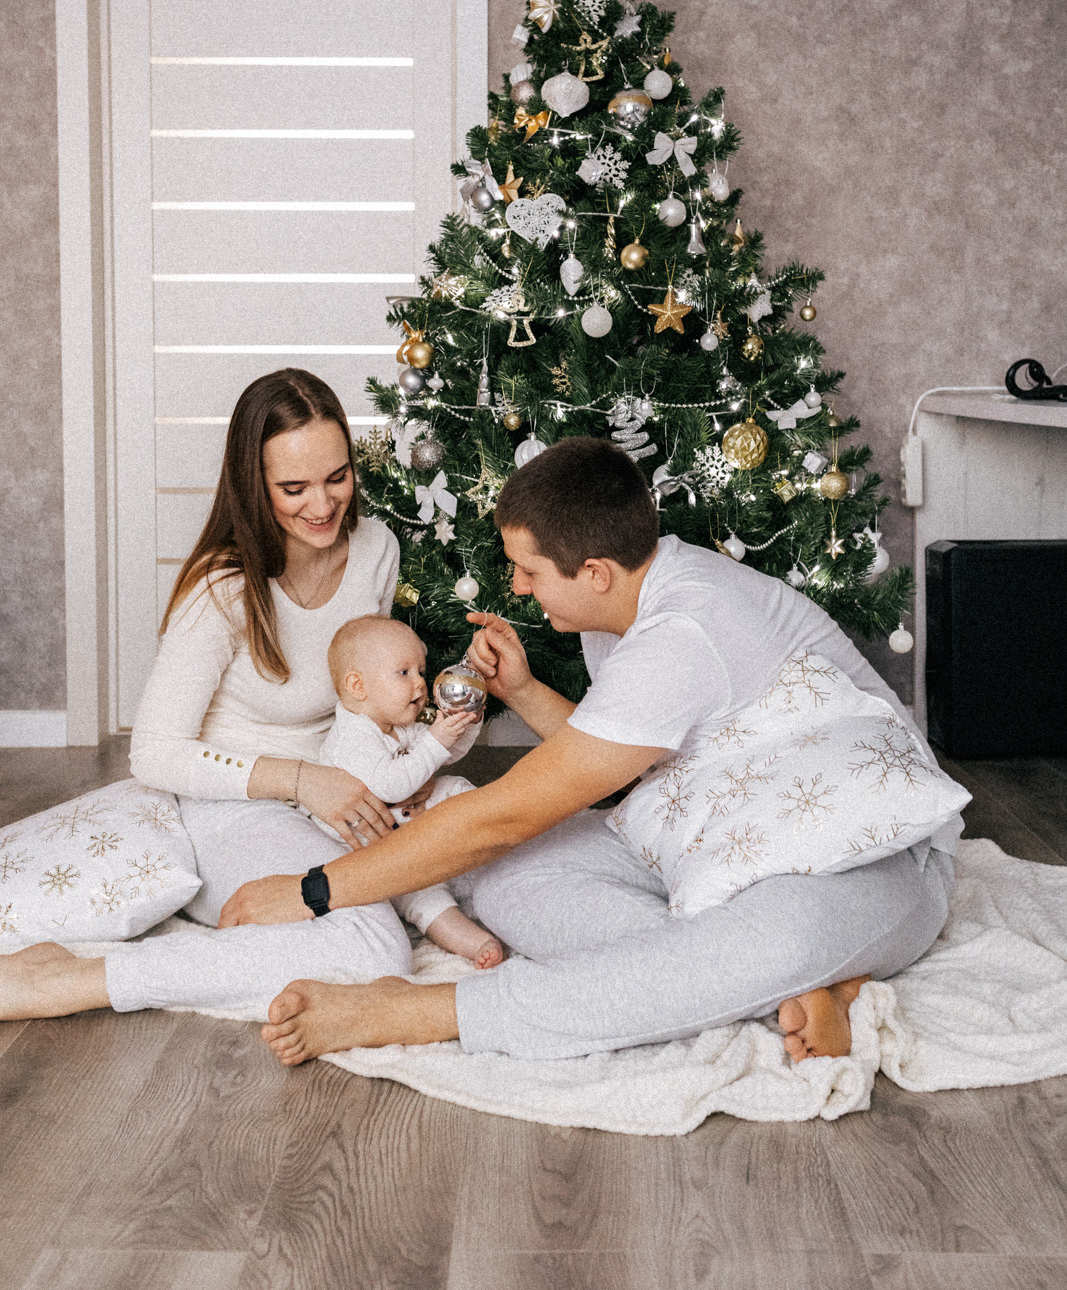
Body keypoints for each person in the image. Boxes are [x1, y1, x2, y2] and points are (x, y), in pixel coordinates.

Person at [215, 437, 961, 1067]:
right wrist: (527, 692)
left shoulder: (679, 632)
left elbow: (498, 815)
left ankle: (426, 1010)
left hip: (865, 856)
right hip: (703, 829)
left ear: (594, 573)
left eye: (529, 571)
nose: (516, 586)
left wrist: (315, 889)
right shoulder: (636, 594)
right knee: (509, 881)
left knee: (771, 937)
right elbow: (620, 766)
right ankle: (780, 987)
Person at [0, 369, 419, 1023]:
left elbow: (365, 694)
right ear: (255, 484)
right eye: (293, 488)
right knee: (373, 952)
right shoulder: (224, 586)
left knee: (454, 874)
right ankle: (78, 978)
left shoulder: (376, 550)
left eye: (337, 477)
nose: (322, 505)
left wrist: (396, 767)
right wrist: (304, 780)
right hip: (233, 808)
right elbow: (155, 753)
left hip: (338, 797)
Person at [319, 615, 503, 969]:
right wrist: (437, 737)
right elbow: (391, 785)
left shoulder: (396, 725)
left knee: (456, 788)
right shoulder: (351, 736)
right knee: (422, 894)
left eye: (421, 671)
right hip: (368, 851)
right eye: (404, 673)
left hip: (402, 829)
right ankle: (471, 940)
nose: (420, 683)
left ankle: (488, 846)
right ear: (358, 686)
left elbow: (443, 755)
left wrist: (464, 723)